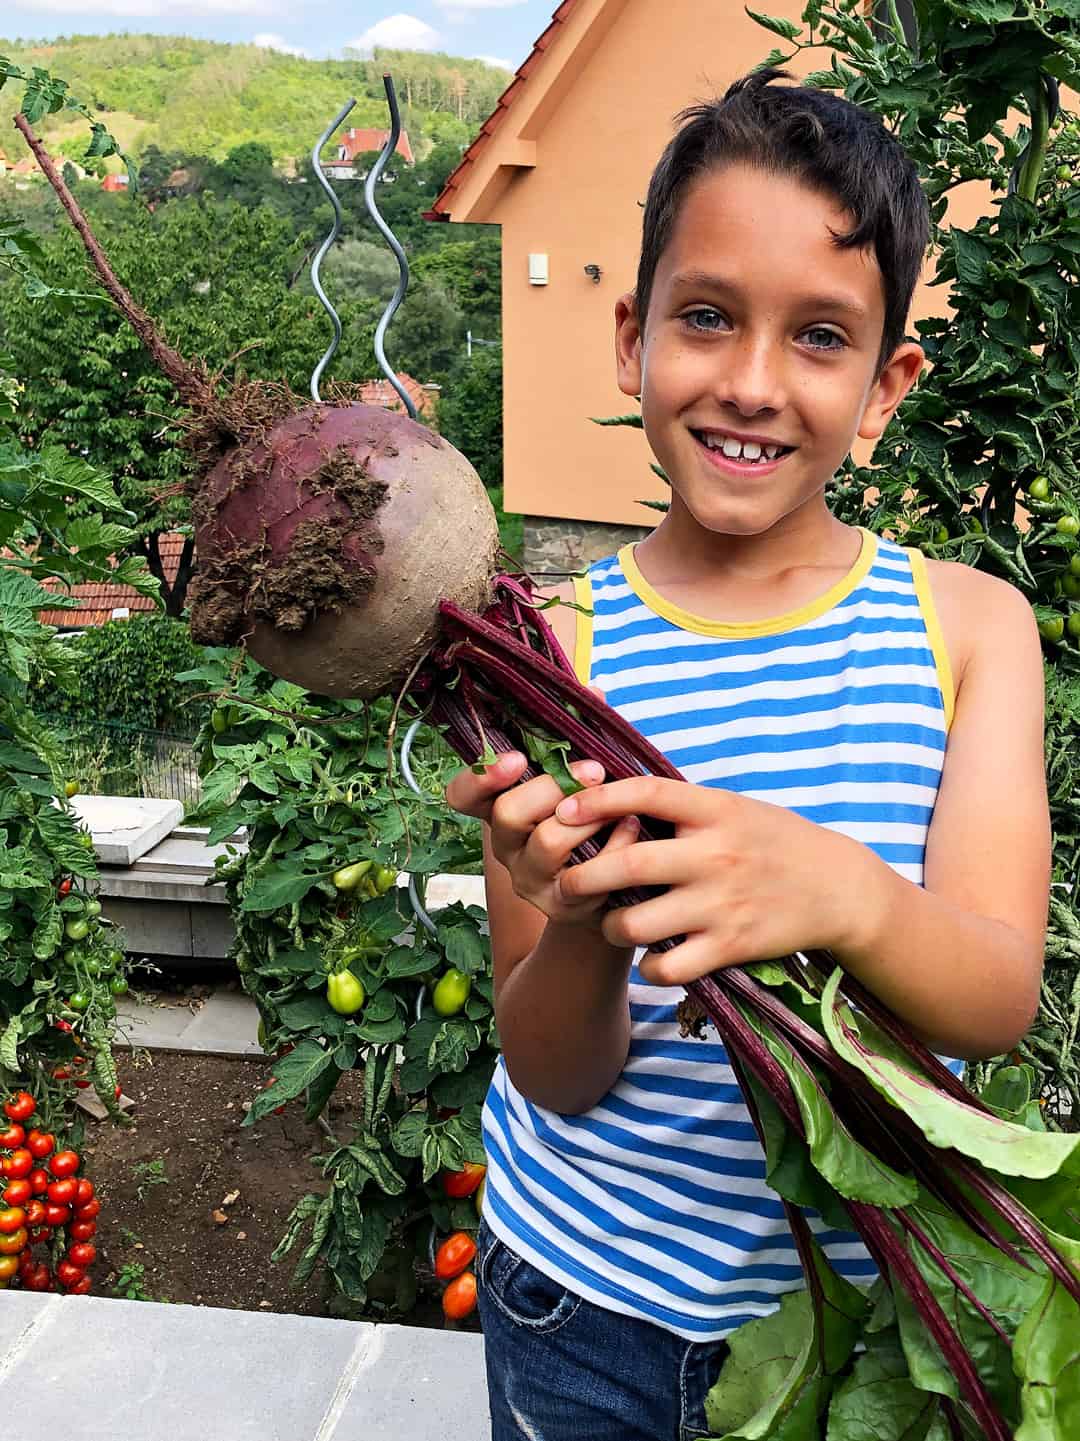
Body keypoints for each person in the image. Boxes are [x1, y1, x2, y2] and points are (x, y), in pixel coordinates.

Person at [445, 67, 1050, 1441]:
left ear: (889, 383)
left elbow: (995, 991)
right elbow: (550, 1066)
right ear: (629, 339)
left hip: (867, 1321)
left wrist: (838, 891)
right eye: (707, 317)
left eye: (821, 337)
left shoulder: (968, 631)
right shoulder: (555, 654)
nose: (754, 382)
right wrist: (589, 925)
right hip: (585, 1301)